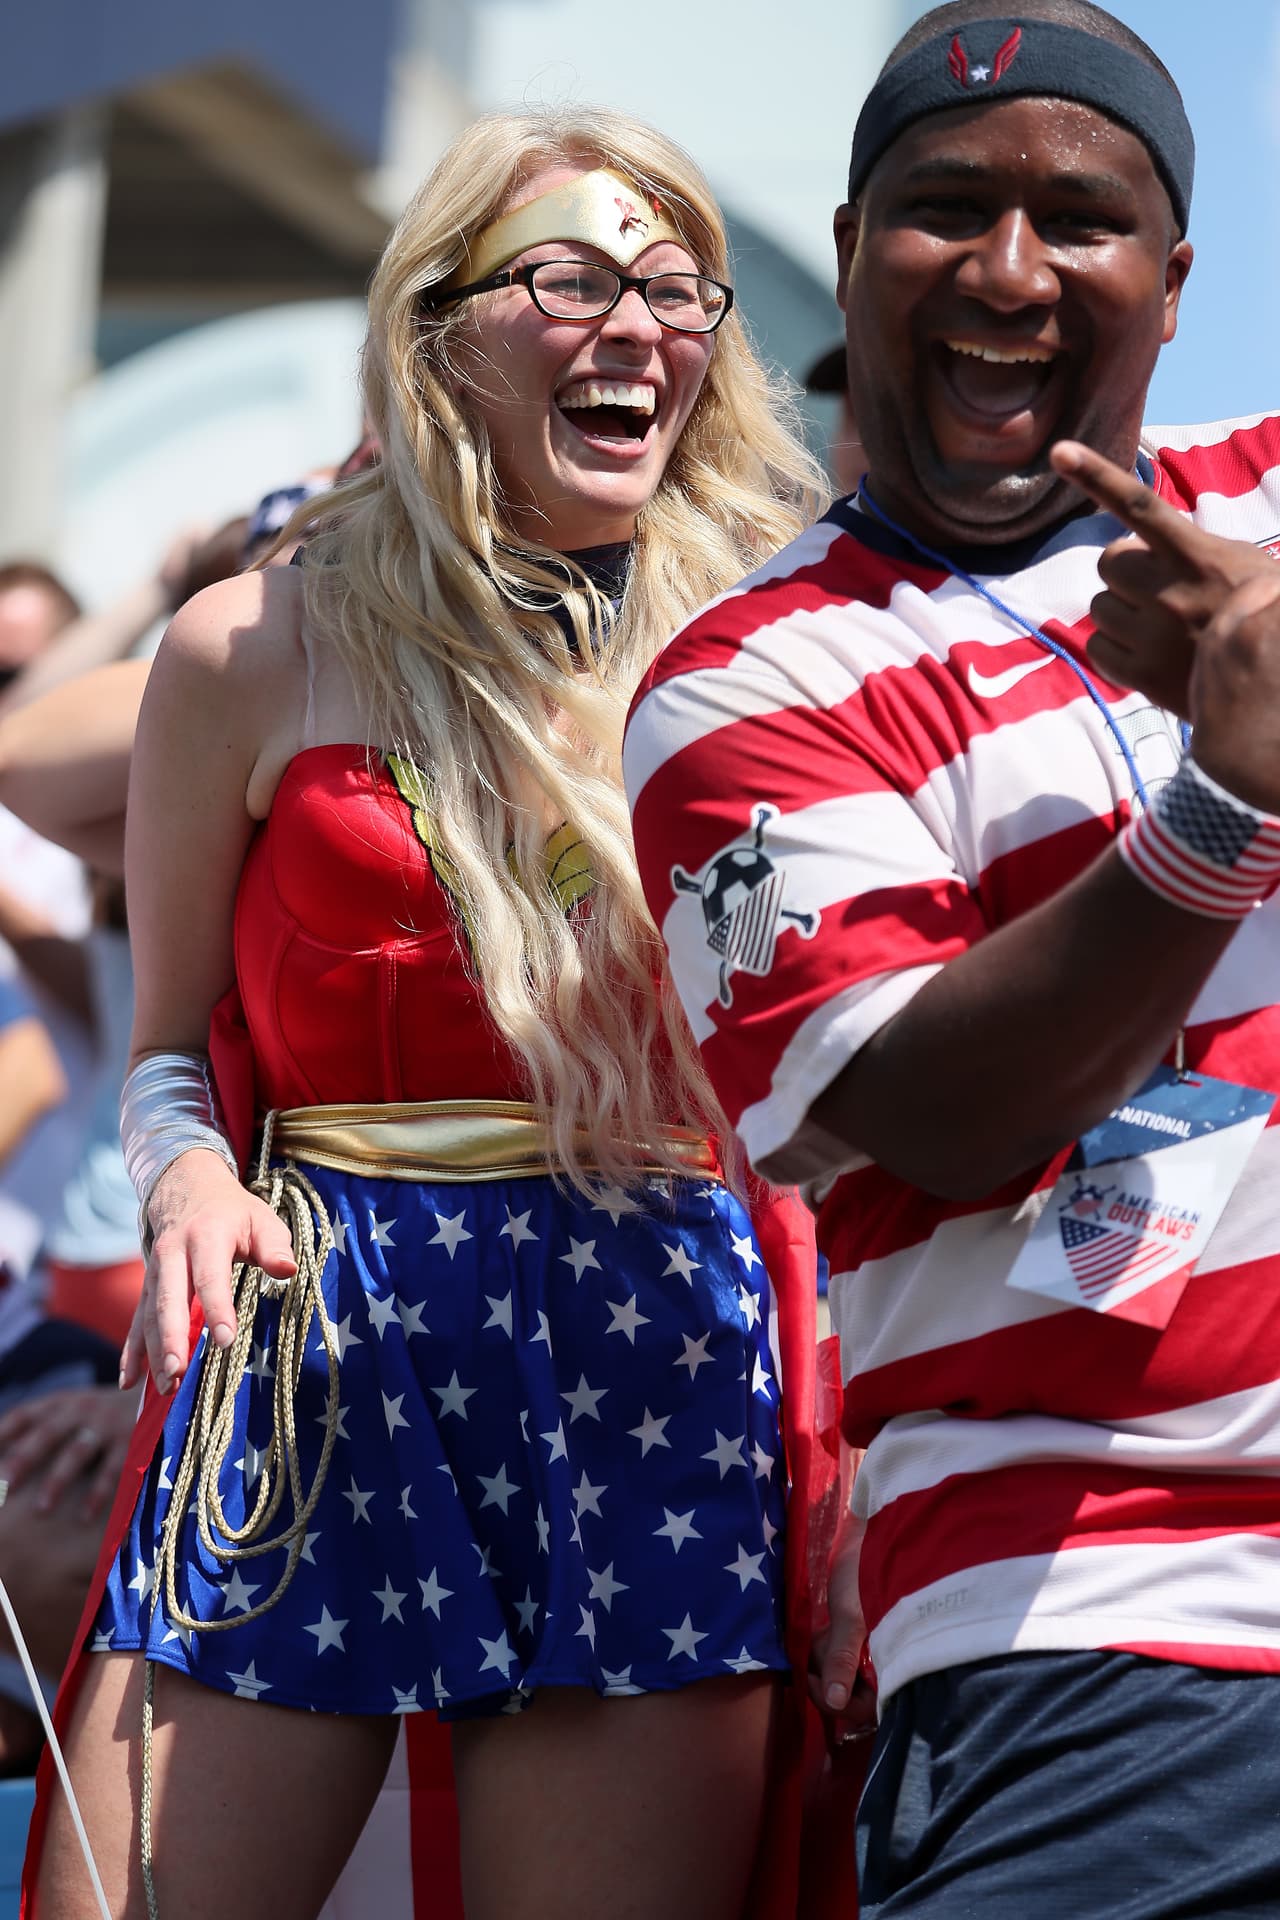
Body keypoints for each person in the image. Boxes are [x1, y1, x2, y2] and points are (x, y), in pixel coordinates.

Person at [30, 107, 825, 1920]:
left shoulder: (771, 638)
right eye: (570, 278)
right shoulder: (253, 643)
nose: (637, 325)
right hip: (319, 1322)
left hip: (654, 1328)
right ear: (441, 324)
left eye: (674, 287)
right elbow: (163, 1043)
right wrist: (180, 1180)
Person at [624, 4, 1280, 1914]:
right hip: (1106, 1633)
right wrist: (1224, 803)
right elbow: (934, 1106)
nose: (1008, 271)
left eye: (1077, 221)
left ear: (1173, 280)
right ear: (844, 250)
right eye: (944, 209)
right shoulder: (748, 678)